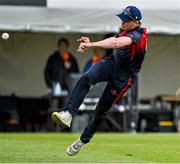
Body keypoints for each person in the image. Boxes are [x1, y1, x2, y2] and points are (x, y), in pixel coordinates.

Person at [52, 6, 147, 156]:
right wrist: (94, 43)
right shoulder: (125, 29)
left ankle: (82, 141)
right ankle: (68, 114)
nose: (122, 21)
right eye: (122, 18)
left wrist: (90, 45)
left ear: (135, 22)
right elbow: (113, 39)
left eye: (126, 19)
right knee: (86, 78)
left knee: (100, 111)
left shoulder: (138, 35)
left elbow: (117, 44)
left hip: (124, 77)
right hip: (112, 63)